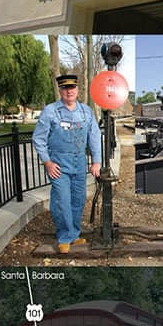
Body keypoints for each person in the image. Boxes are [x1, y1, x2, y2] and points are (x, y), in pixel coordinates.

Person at [33, 75, 101, 254]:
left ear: (77, 90)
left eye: (72, 88)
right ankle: (64, 237)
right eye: (65, 88)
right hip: (58, 165)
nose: (69, 91)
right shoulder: (50, 111)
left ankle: (74, 234)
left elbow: (94, 137)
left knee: (78, 200)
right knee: (62, 200)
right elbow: (38, 139)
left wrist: (96, 161)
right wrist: (47, 162)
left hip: (79, 163)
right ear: (60, 90)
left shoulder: (86, 112)